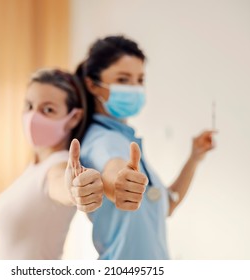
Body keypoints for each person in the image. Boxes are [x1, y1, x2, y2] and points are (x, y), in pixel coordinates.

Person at [75, 35, 215, 259]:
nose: (134, 88)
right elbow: (113, 169)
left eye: (140, 80)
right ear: (92, 84)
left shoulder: (124, 139)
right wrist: (119, 183)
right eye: (123, 79)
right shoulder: (101, 139)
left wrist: (194, 158)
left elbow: (166, 205)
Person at [0, 69, 103, 259]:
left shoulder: (58, 165)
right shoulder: (34, 165)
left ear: (73, 117)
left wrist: (74, 188)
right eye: (29, 106)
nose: (33, 116)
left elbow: (61, 183)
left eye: (48, 109)